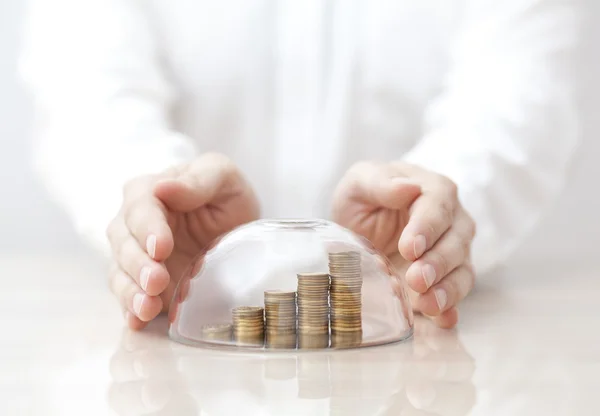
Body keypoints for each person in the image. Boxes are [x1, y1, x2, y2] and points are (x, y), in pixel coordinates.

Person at [19, 0, 581, 330]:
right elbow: (82, 85)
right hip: (182, 322)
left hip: (436, 330)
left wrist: (431, 213)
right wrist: (158, 206)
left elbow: (522, 95)